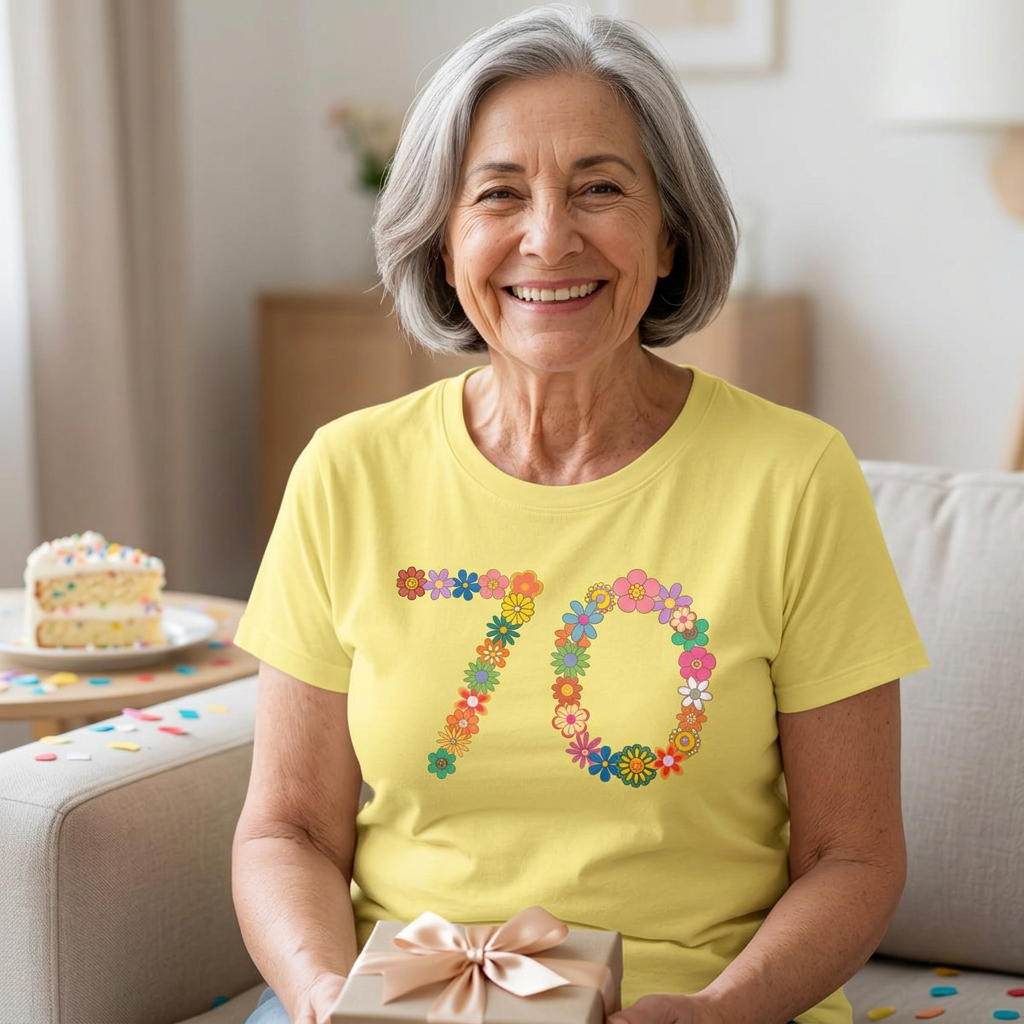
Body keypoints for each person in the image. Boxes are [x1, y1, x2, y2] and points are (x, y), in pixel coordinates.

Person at [232, 7, 928, 1024]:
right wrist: (319, 996)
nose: (548, 237)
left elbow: (852, 854)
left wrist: (723, 1008)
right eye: (499, 195)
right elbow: (285, 830)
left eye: (600, 188)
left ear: (669, 233)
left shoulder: (794, 478)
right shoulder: (347, 473)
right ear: (444, 238)